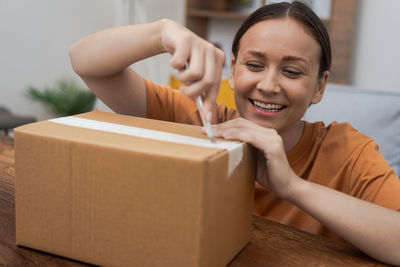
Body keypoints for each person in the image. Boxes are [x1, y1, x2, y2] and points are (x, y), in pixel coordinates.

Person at [69, 1, 400, 265]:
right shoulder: (197, 119)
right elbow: (86, 63)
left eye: (292, 71)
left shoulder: (348, 151)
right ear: (233, 69)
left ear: (319, 87)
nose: (268, 86)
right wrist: (163, 32)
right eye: (254, 65)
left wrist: (293, 188)